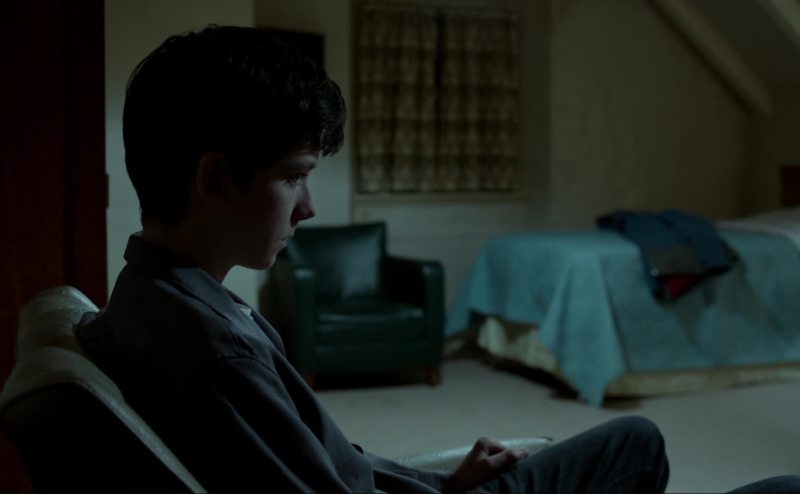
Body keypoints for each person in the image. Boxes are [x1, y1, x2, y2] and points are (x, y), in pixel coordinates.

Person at [76, 25, 797, 493]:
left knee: (635, 437)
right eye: (295, 176)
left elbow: (333, 464)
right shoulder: (218, 353)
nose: (309, 207)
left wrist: (443, 480)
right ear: (213, 179)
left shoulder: (151, 295)